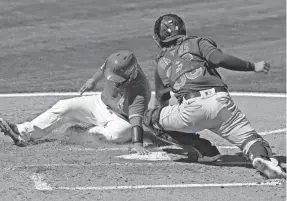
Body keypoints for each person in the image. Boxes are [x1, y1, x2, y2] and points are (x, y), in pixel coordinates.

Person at [143, 14, 286, 179]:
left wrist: (165, 130)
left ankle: (204, 150)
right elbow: (218, 59)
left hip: (190, 113)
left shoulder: (160, 64)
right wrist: (253, 66)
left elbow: (161, 100)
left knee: (150, 117)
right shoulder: (198, 42)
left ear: (159, 38)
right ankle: (261, 158)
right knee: (250, 139)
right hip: (222, 109)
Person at [0, 50, 151, 154]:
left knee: (117, 134)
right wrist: (93, 80)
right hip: (100, 103)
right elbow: (104, 67)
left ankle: (80, 133)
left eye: (117, 79)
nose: (113, 81)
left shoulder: (140, 89)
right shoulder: (116, 63)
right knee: (64, 105)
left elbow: (136, 119)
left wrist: (137, 143)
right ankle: (22, 132)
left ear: (130, 74)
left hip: (122, 119)